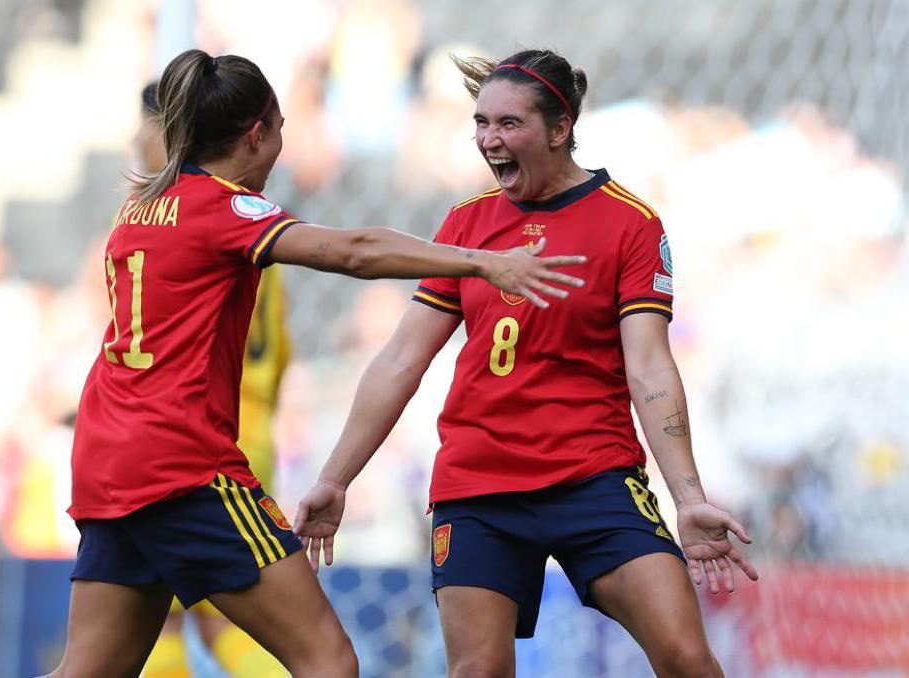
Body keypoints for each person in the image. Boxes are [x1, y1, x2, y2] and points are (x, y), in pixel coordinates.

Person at [45, 49, 585, 678]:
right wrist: (481, 261)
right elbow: (352, 251)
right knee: (328, 660)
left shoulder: (138, 210)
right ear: (257, 135)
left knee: (88, 671)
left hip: (106, 461)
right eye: (280, 131)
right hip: (182, 469)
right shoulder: (224, 208)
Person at [294, 49, 760, 678]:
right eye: (481, 123)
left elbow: (649, 366)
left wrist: (688, 497)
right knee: (478, 671)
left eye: (509, 123)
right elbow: (402, 357)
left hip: (593, 478)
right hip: (479, 486)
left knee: (685, 657)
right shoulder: (467, 222)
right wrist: (335, 478)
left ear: (560, 128)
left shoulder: (630, 223)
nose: (489, 139)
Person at [133, 83, 292, 678]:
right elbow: (281, 352)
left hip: (195, 442)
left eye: (147, 127)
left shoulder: (178, 221)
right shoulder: (254, 220)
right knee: (217, 622)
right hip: (251, 432)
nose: (137, 141)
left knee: (167, 621)